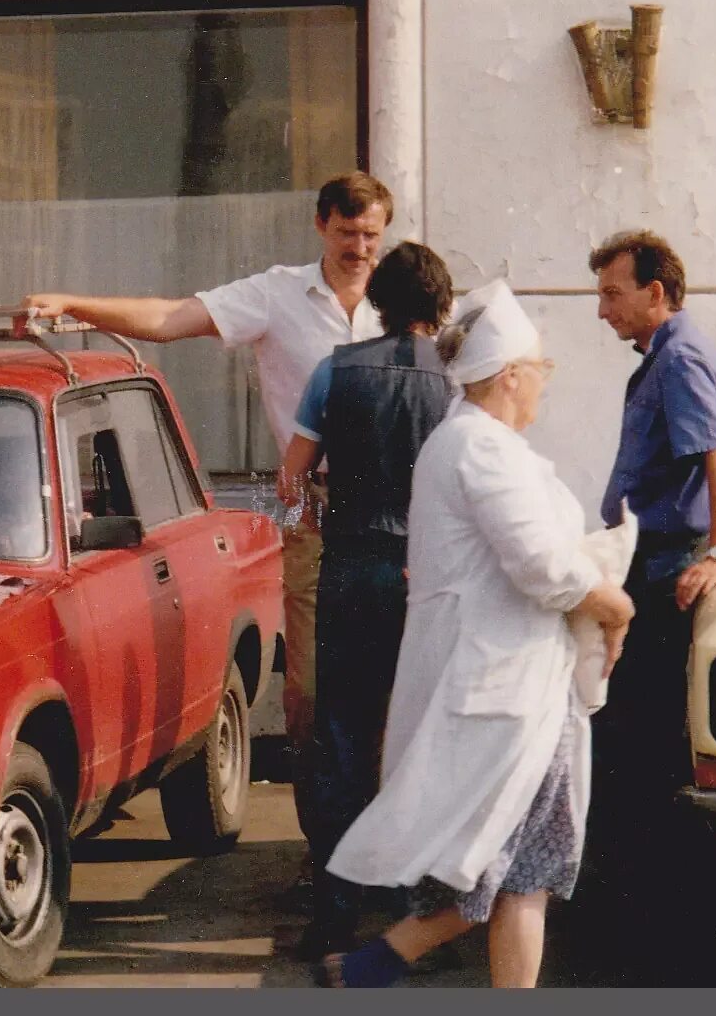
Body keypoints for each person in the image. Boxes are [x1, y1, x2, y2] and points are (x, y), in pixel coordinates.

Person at [23, 170, 390, 884]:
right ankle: (330, 855)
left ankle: (385, 846)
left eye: (372, 235)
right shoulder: (278, 294)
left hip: (394, 520)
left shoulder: (397, 298)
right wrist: (72, 301)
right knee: (312, 689)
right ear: (322, 226)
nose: (360, 248)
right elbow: (169, 319)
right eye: (347, 233)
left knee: (390, 685)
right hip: (316, 517)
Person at [318, 281, 636, 988]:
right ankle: (375, 964)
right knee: (505, 866)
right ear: (512, 375)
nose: (545, 387)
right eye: (542, 372)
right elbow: (543, 568)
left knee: (518, 870)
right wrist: (617, 605)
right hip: (505, 694)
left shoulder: (475, 442)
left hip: (525, 688)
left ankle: (376, 964)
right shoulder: (479, 449)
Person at [275, 241, 454, 954]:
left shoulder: (334, 371)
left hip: (351, 571)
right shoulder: (458, 380)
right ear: (439, 306)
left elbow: (290, 480)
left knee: (343, 741)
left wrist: (314, 520)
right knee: (424, 742)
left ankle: (335, 911)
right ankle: (419, 909)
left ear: (377, 303)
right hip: (429, 578)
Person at [585, 229, 716, 976]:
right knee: (632, 746)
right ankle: (641, 920)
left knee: (641, 750)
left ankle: (650, 935)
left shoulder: (679, 356)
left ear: (656, 292)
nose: (602, 309)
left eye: (613, 293)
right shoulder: (667, 355)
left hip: (664, 571)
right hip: (645, 564)